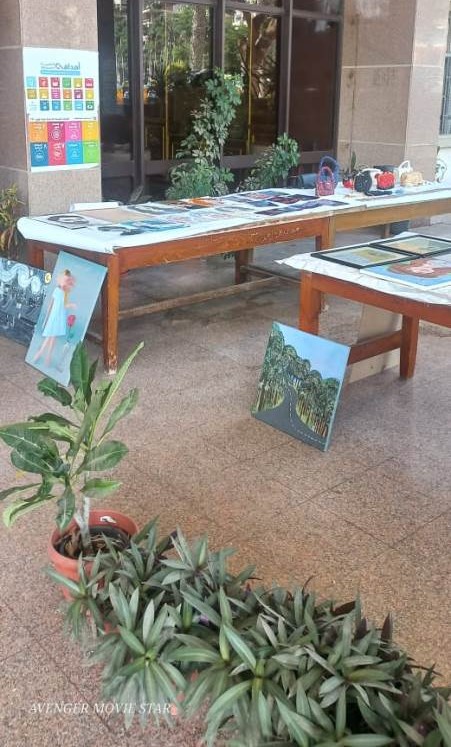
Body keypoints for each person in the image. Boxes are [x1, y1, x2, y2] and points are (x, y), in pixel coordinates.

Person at [33, 270, 76, 367]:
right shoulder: (56, 290)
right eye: (63, 279)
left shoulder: (65, 293)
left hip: (60, 317)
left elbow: (65, 305)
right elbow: (50, 305)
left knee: (53, 337)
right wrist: (46, 317)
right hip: (53, 316)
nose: (64, 282)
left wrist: (71, 305)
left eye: (66, 280)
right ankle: (40, 353)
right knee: (49, 336)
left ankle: (48, 356)